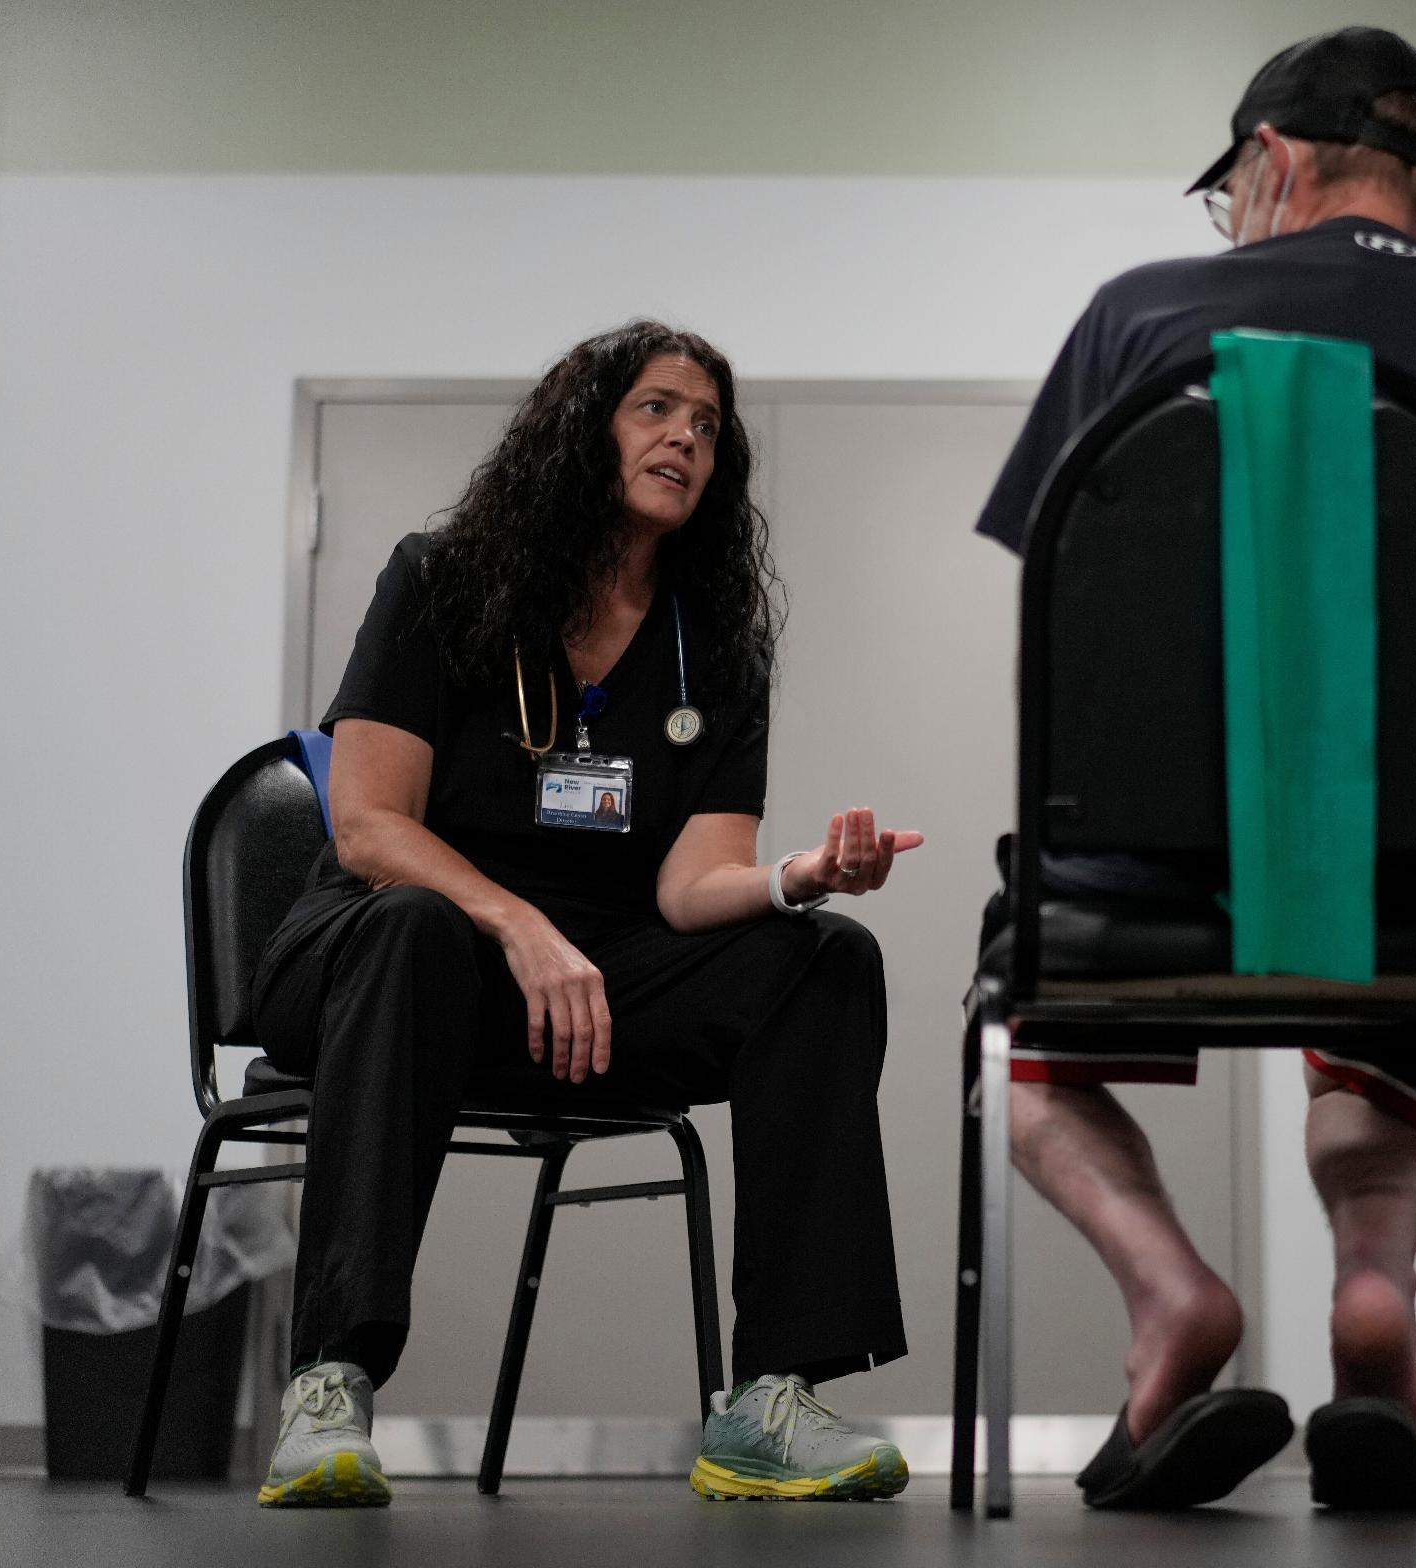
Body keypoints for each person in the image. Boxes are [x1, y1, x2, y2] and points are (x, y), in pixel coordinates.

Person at [975, 28, 1416, 1511]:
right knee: (1407, 973)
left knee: (1017, 1034)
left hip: (1124, 897)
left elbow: (1058, 641)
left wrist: (1097, 829)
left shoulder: (1136, 318)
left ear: (1268, 164)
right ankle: (1374, 1290)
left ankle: (1167, 1291)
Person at [251, 320, 922, 1508]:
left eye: (708, 425)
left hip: (594, 981)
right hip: (386, 948)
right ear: (584, 430)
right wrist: (515, 922)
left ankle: (772, 1394)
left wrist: (795, 880)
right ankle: (332, 1378)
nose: (687, 439)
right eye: (657, 409)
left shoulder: (710, 646)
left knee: (823, 961)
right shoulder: (442, 580)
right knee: (415, 926)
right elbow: (367, 828)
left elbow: (689, 884)